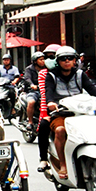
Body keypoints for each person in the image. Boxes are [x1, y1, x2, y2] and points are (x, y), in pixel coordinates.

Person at [45, 46, 96, 179]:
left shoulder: (80, 74)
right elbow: (49, 92)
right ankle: (63, 164)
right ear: (58, 61)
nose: (67, 61)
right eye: (63, 59)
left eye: (70, 58)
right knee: (59, 130)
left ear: (75, 60)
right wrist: (51, 102)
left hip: (81, 112)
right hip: (61, 113)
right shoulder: (51, 75)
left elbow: (92, 89)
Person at [37, 44, 61, 172]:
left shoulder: (74, 72)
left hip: (73, 108)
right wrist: (46, 112)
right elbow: (45, 94)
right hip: (52, 110)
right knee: (44, 127)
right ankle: (43, 159)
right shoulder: (44, 74)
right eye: (47, 57)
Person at [23, 52, 45, 131]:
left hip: (45, 91)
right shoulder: (29, 69)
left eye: (44, 59)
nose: (43, 61)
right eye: (41, 59)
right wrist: (32, 85)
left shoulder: (47, 68)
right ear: (35, 61)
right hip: (33, 91)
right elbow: (27, 78)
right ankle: (30, 122)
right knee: (31, 102)